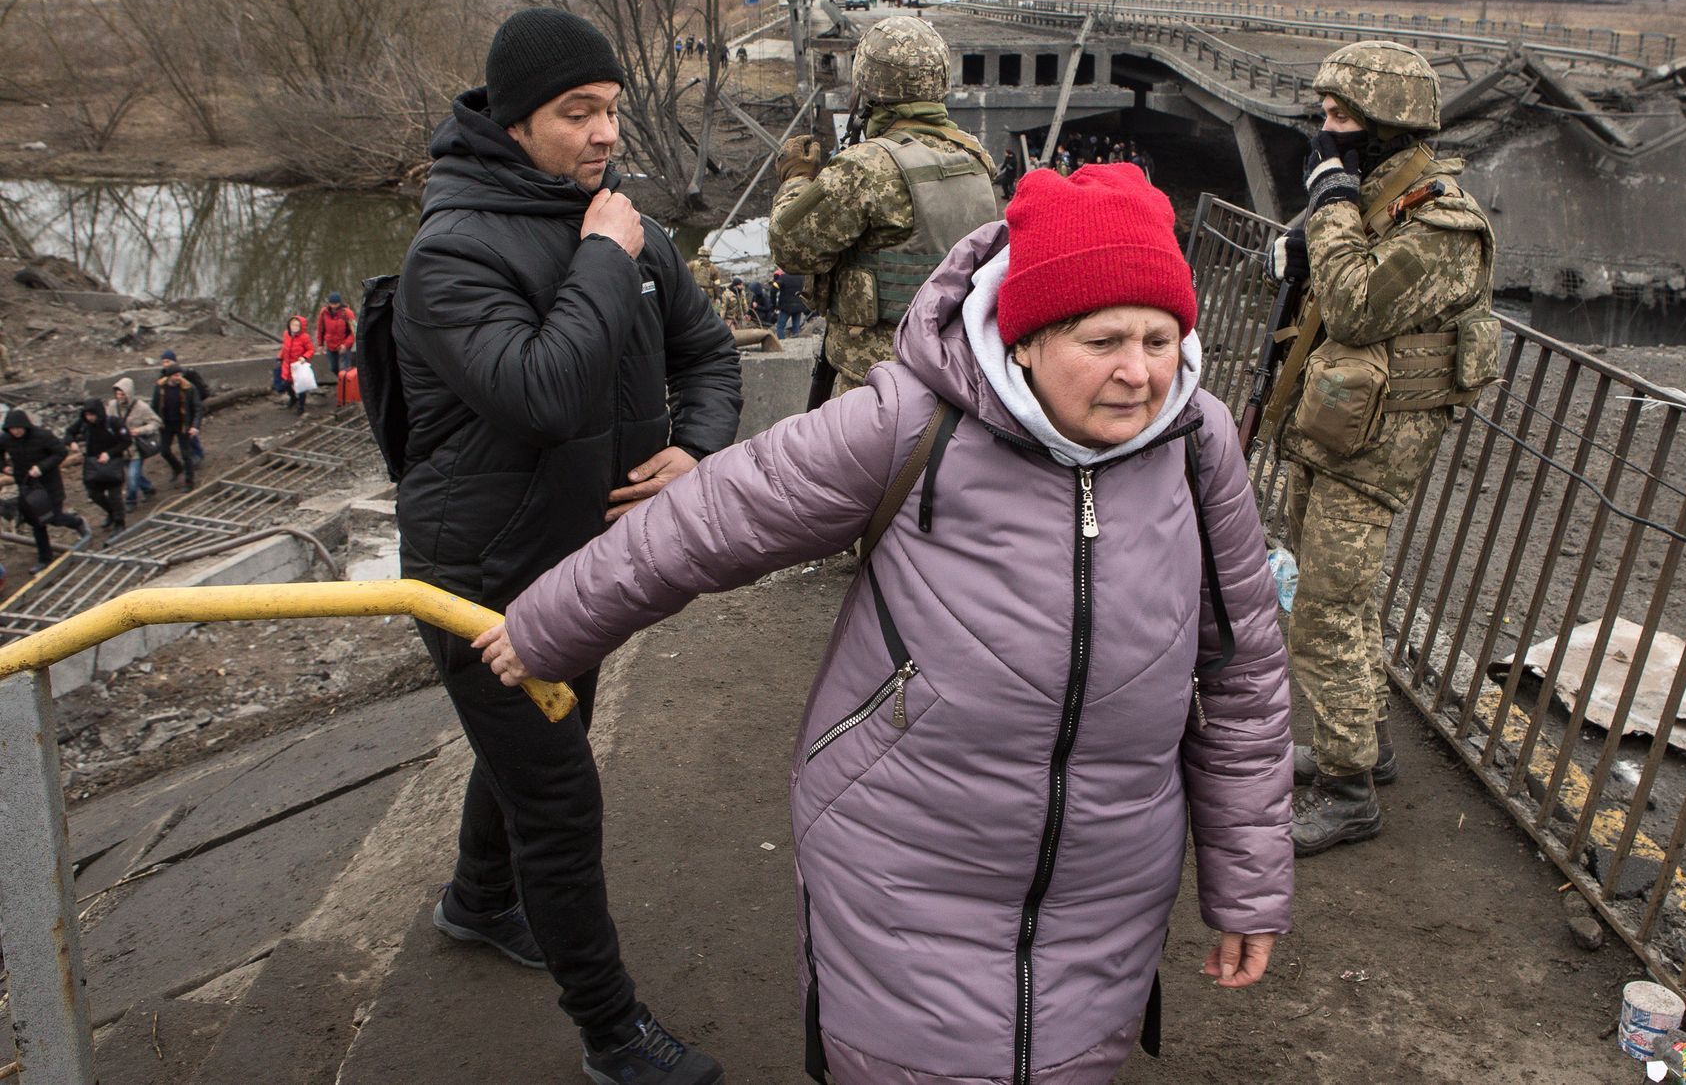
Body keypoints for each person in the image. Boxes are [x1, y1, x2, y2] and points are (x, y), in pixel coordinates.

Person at [479, 164, 1293, 1085]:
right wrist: (544, 626)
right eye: (1102, 339)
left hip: (1108, 876)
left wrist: (1248, 882)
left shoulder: (1198, 440)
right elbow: (710, 520)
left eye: (1161, 338)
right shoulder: (911, 421)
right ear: (1023, 341)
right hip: (906, 856)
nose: (1140, 372)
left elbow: (1243, 673)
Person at [391, 6, 741, 1084]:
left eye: (611, 113)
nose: (603, 136)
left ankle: (476, 900)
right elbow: (544, 394)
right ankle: (611, 1034)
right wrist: (602, 253)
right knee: (560, 794)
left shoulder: (624, 227)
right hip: (482, 579)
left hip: (583, 563)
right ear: (511, 121)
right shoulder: (450, 252)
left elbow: (711, 353)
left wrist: (695, 449)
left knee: (542, 740)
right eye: (576, 113)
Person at [1263, 41, 1499, 857]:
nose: (1325, 134)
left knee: (1326, 608)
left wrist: (1326, 203)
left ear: (1389, 126)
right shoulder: (1381, 197)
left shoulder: (1441, 226)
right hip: (1337, 432)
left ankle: (1347, 791)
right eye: (1323, 116)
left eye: (1341, 119)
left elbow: (1357, 308)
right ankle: (1357, 744)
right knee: (1338, 601)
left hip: (1375, 449)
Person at [770, 15, 997, 398]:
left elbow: (790, 247)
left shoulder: (867, 166)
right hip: (952, 364)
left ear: (871, 86)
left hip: (873, 379)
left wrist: (796, 176)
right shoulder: (974, 157)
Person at [4, 408, 90, 567]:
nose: (15, 432)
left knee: (55, 518)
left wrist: (41, 467)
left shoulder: (42, 435)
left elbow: (61, 453)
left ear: (25, 426)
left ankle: (76, 522)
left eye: (18, 428)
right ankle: (44, 559)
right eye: (12, 429)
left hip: (49, 485)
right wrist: (3, 467)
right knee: (37, 523)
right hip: (27, 487)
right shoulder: (6, 439)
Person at [64, 397, 133, 534]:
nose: (90, 418)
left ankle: (120, 522)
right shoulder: (84, 423)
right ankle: (111, 512)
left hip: (112, 463)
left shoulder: (113, 423)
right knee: (94, 494)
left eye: (92, 415)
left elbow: (126, 441)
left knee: (115, 496)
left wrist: (109, 453)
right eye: (87, 415)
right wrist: (71, 442)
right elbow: (69, 432)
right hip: (92, 465)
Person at [111, 376, 160, 509]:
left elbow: (156, 422)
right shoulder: (112, 406)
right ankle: (148, 488)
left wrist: (141, 430)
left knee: (132, 477)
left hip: (135, 448)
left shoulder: (141, 407)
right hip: (120, 448)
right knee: (134, 474)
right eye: (117, 393)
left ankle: (130, 501)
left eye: (122, 394)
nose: (119, 396)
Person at [153, 362, 202, 489]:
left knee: (186, 454)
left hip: (183, 425)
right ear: (169, 376)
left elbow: (197, 408)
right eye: (175, 375)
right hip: (166, 425)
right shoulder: (160, 387)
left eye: (179, 375)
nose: (178, 377)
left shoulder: (189, 388)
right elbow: (154, 406)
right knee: (164, 451)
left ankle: (189, 482)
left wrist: (195, 426)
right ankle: (177, 467)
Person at [157, 349, 209, 468]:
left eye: (168, 361)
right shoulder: (163, 377)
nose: (166, 364)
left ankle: (197, 455)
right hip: (173, 413)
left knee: (190, 434)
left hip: (187, 410)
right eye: (163, 362)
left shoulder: (187, 374)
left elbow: (200, 390)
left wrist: (191, 402)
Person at [276, 314, 317, 416]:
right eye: (292, 325)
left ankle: (301, 406)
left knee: (301, 387)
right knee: (286, 384)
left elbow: (311, 349)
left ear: (301, 327)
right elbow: (284, 347)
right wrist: (280, 357)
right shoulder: (286, 334)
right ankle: (293, 398)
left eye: (296, 325)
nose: (294, 327)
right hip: (287, 365)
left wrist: (304, 357)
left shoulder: (304, 337)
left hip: (298, 366)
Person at [315, 291, 358, 377]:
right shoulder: (324, 313)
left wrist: (346, 345)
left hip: (344, 345)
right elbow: (321, 329)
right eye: (332, 304)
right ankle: (340, 381)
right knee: (333, 367)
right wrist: (320, 344)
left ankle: (345, 386)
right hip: (330, 345)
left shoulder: (347, 313)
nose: (334, 306)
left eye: (336, 304)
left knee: (345, 370)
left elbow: (354, 332)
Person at [771, 269, 807, 339]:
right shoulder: (802, 277)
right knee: (796, 326)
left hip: (786, 307)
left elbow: (773, 290)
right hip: (799, 305)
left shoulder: (784, 277)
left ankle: (782, 343)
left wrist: (774, 305)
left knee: (780, 326)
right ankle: (796, 343)